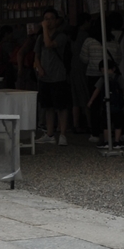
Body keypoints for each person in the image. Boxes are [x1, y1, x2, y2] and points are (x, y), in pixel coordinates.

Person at [36, 8, 72, 146]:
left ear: (56, 21)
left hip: (59, 76)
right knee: (48, 106)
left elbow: (49, 44)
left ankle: (62, 133)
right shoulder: (39, 37)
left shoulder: (61, 36)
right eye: (46, 18)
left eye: (51, 18)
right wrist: (39, 68)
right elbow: (37, 55)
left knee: (61, 107)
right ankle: (50, 134)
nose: (48, 21)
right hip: (45, 77)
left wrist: (44, 29)